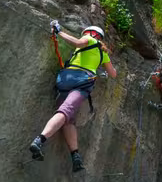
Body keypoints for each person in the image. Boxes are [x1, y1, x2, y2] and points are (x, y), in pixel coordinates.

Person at [29, 21, 116, 172]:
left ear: (90, 33)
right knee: (66, 112)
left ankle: (75, 156)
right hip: (82, 82)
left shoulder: (89, 39)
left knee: (68, 119)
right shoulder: (102, 50)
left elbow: (77, 43)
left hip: (65, 79)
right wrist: (60, 31)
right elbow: (113, 74)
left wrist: (58, 31)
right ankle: (39, 140)